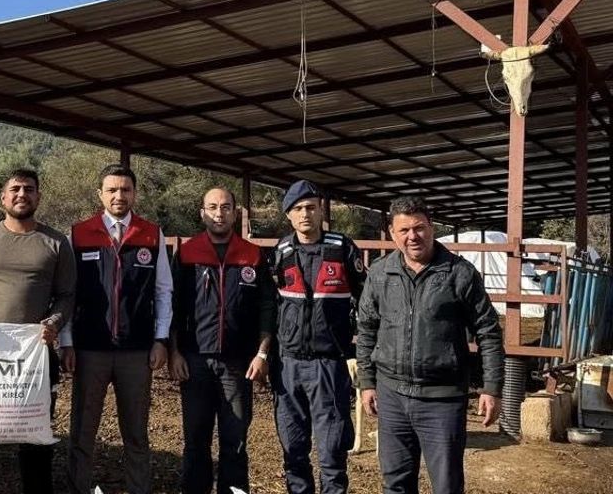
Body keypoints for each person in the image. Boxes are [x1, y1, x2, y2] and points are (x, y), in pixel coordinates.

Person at [357, 196, 504, 494]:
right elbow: (367, 329)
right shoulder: (381, 273)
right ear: (392, 233)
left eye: (419, 228)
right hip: (392, 395)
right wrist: (367, 382)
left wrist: (491, 388)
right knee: (395, 484)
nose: (413, 236)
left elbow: (488, 331)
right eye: (404, 230)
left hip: (442, 398)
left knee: (446, 485)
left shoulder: (459, 273)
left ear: (431, 227)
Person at [0, 168, 77, 494]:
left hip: (37, 356)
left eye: (29, 189)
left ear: (39, 196)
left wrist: (54, 323)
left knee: (36, 442)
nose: (22, 194)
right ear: (3, 198)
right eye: (16, 189)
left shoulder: (56, 242)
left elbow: (67, 295)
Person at [60, 164, 171, 494]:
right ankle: (78, 488)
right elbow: (68, 293)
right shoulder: (79, 233)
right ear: (100, 194)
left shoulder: (152, 234)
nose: (118, 195)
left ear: (134, 194)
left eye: (125, 189)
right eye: (111, 190)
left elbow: (163, 291)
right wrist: (66, 341)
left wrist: (161, 339)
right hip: (89, 349)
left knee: (136, 432)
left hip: (136, 351)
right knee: (83, 430)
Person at [169, 187, 276, 494]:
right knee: (195, 441)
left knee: (235, 441)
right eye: (213, 207)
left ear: (235, 212)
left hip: (238, 363)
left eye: (226, 207)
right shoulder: (187, 253)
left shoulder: (252, 255)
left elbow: (267, 306)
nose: (219, 213)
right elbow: (172, 306)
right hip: (195, 361)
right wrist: (174, 352)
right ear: (202, 213)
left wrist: (262, 354)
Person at [269, 181, 366, 494]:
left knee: (332, 450)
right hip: (287, 364)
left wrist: (360, 351)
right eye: (298, 209)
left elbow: (367, 302)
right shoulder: (281, 251)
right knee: (293, 447)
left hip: (329, 364)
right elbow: (270, 304)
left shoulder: (342, 248)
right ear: (288, 215)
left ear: (321, 211)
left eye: (311, 207)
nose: (305, 214)